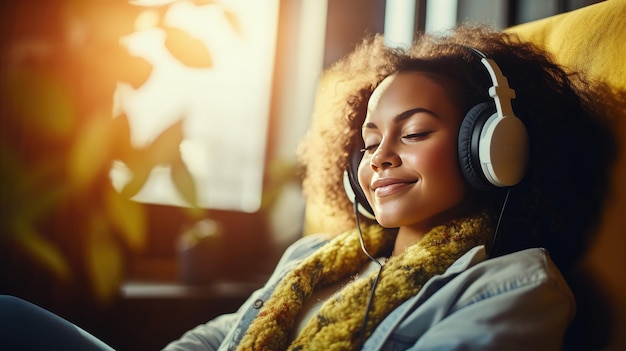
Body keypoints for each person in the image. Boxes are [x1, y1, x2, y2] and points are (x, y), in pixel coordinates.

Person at [0, 26, 616, 351]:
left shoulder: (516, 285)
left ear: (491, 149)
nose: (380, 159)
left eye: (417, 131)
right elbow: (221, 337)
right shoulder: (310, 260)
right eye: (370, 141)